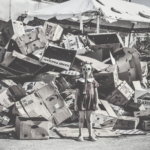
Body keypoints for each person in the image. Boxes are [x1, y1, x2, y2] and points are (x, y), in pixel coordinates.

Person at [74, 62, 99, 142]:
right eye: (84, 69)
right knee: (81, 119)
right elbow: (77, 93)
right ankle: (80, 135)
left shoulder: (93, 81)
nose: (86, 71)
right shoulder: (79, 81)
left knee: (89, 119)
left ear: (91, 70)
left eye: (88, 69)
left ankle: (90, 135)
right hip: (82, 101)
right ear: (81, 70)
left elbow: (96, 93)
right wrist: (75, 104)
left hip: (90, 101)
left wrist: (97, 103)